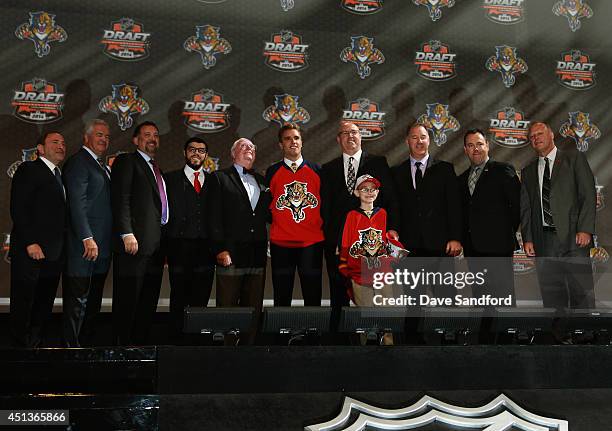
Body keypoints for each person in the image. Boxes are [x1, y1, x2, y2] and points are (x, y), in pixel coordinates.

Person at [320, 121, 399, 327]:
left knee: (376, 296)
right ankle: (340, 344)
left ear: (361, 136)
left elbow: (391, 200)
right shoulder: (328, 169)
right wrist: (332, 241)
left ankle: (379, 339)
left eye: (354, 132)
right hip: (340, 247)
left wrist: (391, 231)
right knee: (339, 294)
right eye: (345, 133)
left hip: (373, 247)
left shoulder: (378, 163)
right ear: (338, 139)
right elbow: (325, 209)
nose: (350, 137)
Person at [521, 121, 596, 309]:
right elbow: (527, 208)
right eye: (532, 137)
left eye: (539, 133)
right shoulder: (528, 171)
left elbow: (588, 195)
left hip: (574, 239)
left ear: (551, 135)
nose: (536, 138)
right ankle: (557, 338)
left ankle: (585, 337)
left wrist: (585, 229)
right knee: (552, 295)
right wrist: (528, 238)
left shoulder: (574, 158)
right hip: (544, 240)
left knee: (582, 293)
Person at [111, 121, 168, 345]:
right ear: (135, 140)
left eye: (155, 134)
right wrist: (126, 233)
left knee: (147, 303)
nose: (152, 138)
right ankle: (121, 350)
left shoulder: (157, 169)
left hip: (155, 247)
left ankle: (140, 349)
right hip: (134, 245)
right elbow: (120, 199)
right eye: (146, 135)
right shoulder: (127, 161)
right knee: (128, 302)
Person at [391, 123, 462, 302]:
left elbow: (454, 206)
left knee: (446, 299)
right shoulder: (397, 172)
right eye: (414, 138)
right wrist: (393, 232)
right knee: (413, 301)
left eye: (423, 137)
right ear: (407, 141)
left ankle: (446, 331)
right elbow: (394, 207)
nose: (419, 141)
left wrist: (455, 237)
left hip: (440, 247)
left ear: (429, 140)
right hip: (409, 249)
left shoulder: (445, 169)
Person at [9, 131, 66, 347]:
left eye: (63, 142)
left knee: (43, 306)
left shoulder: (59, 175)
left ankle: (35, 350)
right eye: (54, 142)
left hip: (53, 255)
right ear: (40, 148)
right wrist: (30, 242)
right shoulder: (29, 169)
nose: (61, 146)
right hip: (31, 252)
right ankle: (18, 354)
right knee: (24, 304)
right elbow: (19, 208)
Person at [209, 138, 270, 332]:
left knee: (253, 309)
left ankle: (249, 352)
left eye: (251, 147)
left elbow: (267, 214)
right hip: (231, 253)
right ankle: (226, 354)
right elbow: (213, 216)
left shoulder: (262, 180)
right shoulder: (219, 177)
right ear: (233, 153)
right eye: (243, 146)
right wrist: (220, 248)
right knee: (227, 307)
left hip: (257, 254)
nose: (248, 149)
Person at [62, 119, 112, 347]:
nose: (104, 139)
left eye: (107, 136)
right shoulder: (79, 162)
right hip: (83, 249)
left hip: (101, 249)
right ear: (86, 138)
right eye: (99, 135)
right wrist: (87, 237)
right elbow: (76, 204)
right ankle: (71, 352)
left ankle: (86, 351)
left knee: (92, 304)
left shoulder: (100, 165)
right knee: (77, 305)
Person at [458, 128, 520, 303]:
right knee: (480, 298)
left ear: (487, 146)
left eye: (479, 144)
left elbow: (517, 207)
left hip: (499, 248)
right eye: (470, 145)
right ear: (465, 150)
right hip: (473, 249)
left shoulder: (503, 170)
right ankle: (484, 332)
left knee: (503, 300)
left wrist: (504, 232)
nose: (475, 149)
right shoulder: (461, 180)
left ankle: (502, 332)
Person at [265, 124, 324, 306]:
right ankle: (281, 335)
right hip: (281, 244)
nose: (293, 142)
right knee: (282, 297)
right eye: (287, 138)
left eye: (296, 138)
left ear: (302, 142)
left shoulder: (317, 170)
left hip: (311, 243)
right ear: (280, 145)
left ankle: (312, 334)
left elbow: (325, 206)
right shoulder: (272, 171)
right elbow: (267, 208)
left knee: (312, 296)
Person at [165, 137, 215, 343]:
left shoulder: (214, 180)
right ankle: (177, 341)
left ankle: (198, 342)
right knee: (179, 296)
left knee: (201, 297)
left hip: (205, 249)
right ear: (184, 153)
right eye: (192, 150)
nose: (197, 153)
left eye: (201, 150)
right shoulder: (169, 179)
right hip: (179, 247)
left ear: (205, 155)